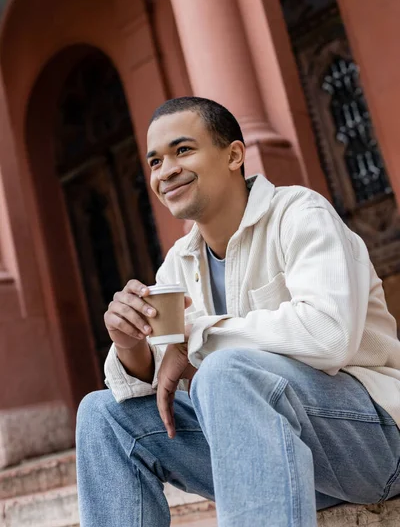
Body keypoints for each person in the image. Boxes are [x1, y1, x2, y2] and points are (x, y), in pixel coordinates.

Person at [76, 97, 400, 527]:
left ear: (233, 154)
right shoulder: (179, 262)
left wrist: (201, 336)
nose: (165, 170)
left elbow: (329, 336)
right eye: (155, 161)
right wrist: (129, 345)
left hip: (372, 442)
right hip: (267, 456)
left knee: (225, 371)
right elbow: (163, 374)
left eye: (182, 150)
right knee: (101, 415)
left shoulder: (299, 213)